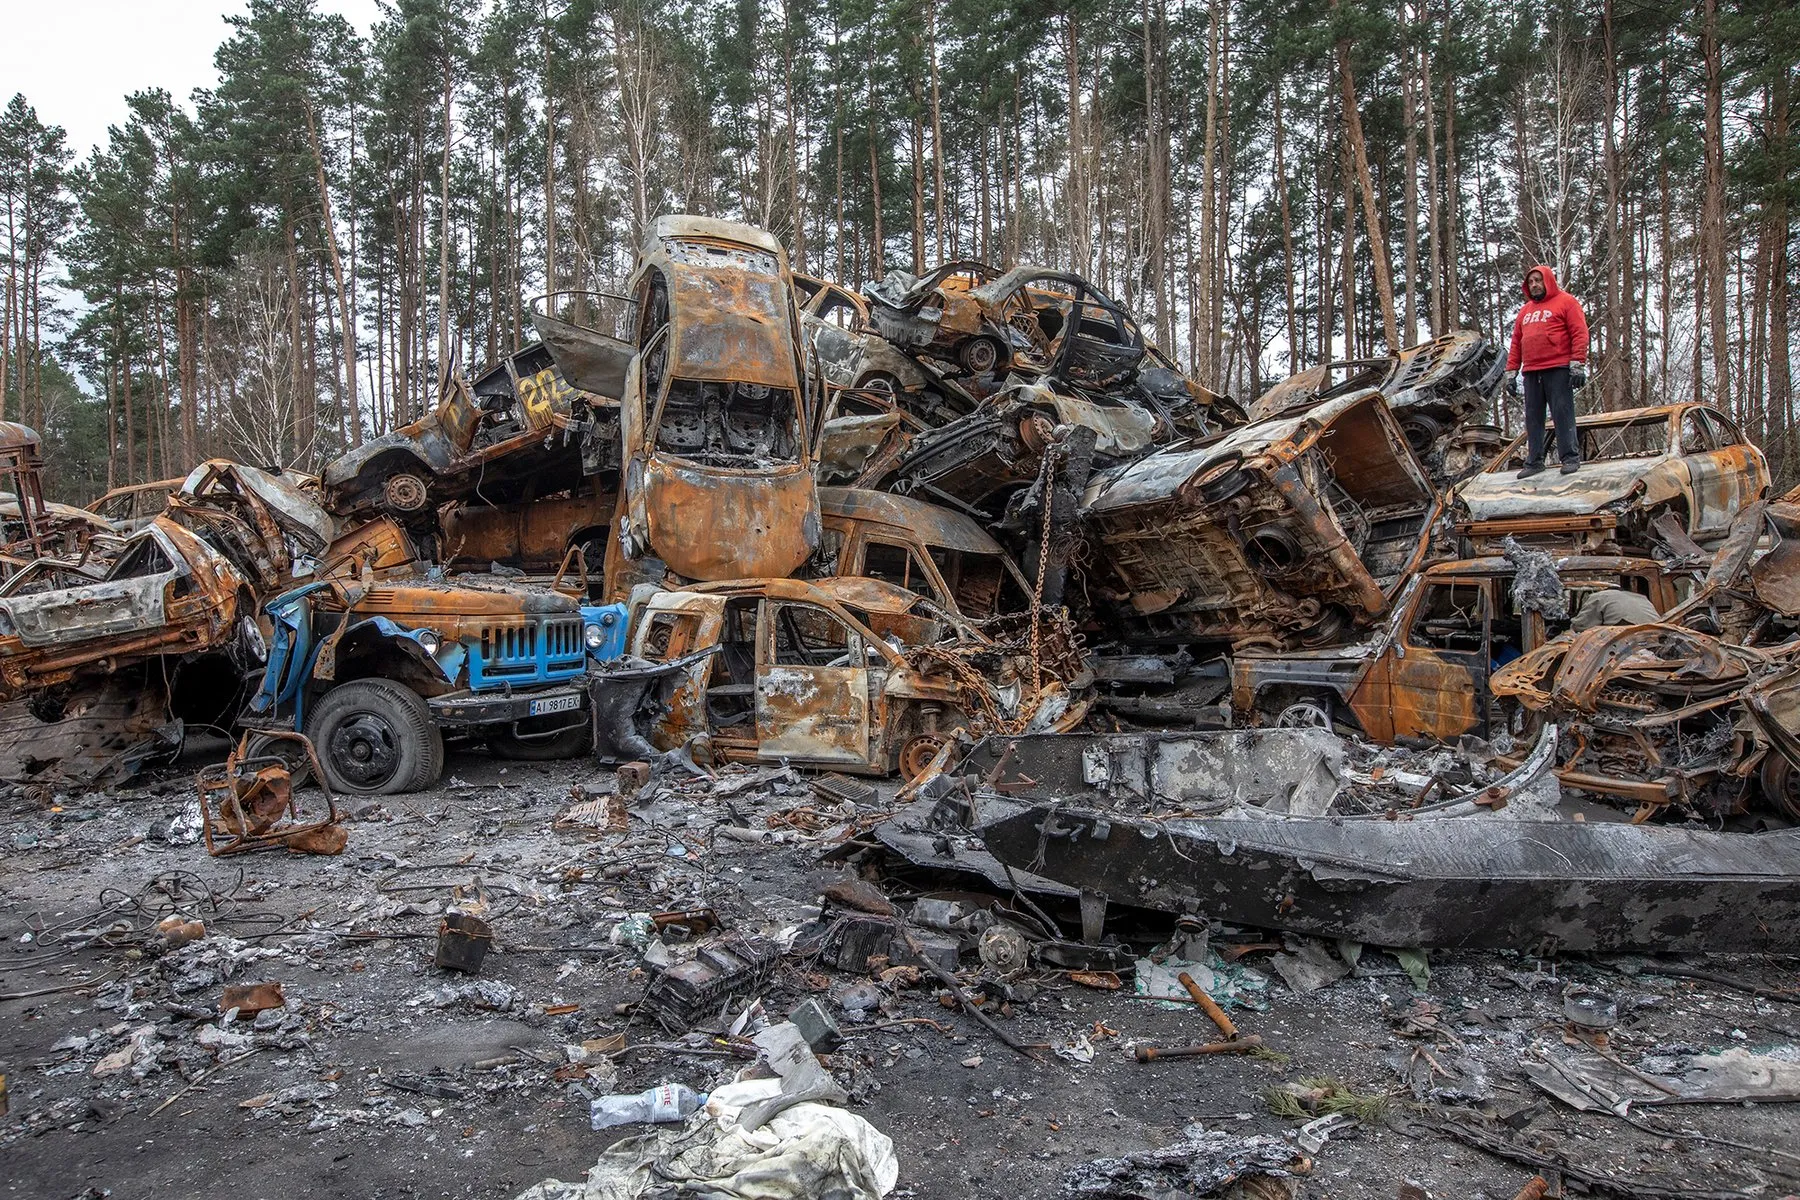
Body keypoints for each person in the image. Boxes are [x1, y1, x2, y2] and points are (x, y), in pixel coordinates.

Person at [1504, 264, 1590, 478]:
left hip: (1558, 368)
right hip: (1532, 371)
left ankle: (1570, 457)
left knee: (1562, 413)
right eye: (1530, 282)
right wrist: (1511, 372)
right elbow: (1516, 342)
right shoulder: (1525, 311)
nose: (1534, 285)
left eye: (1538, 280)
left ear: (1548, 281)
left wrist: (1577, 363)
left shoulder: (1566, 302)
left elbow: (1579, 332)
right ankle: (1534, 461)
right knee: (1533, 417)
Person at [1570, 587, 1662, 633]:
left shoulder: (1599, 596)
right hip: (1657, 635)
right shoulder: (1641, 598)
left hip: (1622, 639)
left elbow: (1581, 627)